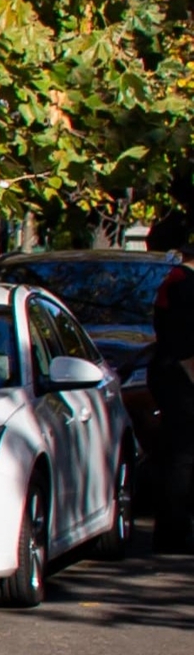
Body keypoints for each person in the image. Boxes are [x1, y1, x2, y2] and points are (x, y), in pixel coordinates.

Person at [147, 211, 194, 554]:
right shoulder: (183, 285)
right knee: (182, 455)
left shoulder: (176, 281)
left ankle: (175, 526)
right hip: (182, 379)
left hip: (173, 375)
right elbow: (182, 344)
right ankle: (174, 530)